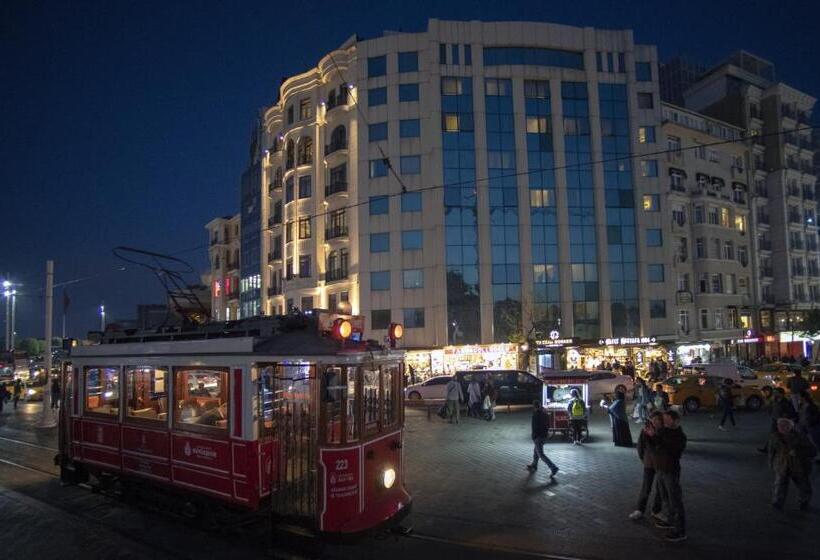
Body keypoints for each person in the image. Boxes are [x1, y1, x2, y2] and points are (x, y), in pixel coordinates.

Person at [654, 410, 688, 542]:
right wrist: (653, 434)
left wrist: (660, 437)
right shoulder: (663, 431)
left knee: (675, 500)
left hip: (671, 470)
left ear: (675, 420)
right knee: (665, 496)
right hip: (661, 469)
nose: (665, 421)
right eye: (664, 419)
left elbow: (674, 451)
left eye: (667, 419)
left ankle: (680, 530)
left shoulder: (680, 436)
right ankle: (669, 519)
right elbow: (656, 444)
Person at [769, 417, 816, 511]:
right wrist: (772, 464)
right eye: (779, 425)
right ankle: (778, 502)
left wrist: (798, 452)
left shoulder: (801, 436)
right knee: (780, 485)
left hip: (799, 466)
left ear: (790, 426)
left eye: (784, 425)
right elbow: (771, 452)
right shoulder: (775, 437)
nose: (781, 427)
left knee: (803, 485)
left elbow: (812, 451)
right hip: (782, 465)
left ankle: (804, 502)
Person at [629, 411, 665, 521]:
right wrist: (643, 459)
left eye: (657, 419)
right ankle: (640, 509)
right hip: (649, 463)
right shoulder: (645, 431)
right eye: (653, 419)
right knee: (646, 487)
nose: (655, 422)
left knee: (660, 488)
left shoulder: (664, 432)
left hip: (661, 464)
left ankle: (656, 510)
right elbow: (640, 446)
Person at [759, 388, 798, 453]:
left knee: (783, 436)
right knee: (773, 435)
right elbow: (770, 408)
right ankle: (768, 449)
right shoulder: (775, 400)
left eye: (776, 392)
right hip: (775, 420)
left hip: (782, 422)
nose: (774, 394)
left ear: (781, 394)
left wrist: (785, 417)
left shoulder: (786, 402)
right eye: (774, 392)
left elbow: (791, 412)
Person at [527, 400, 559, 478]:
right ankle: (534, 465)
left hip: (538, 436)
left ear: (534, 407)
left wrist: (534, 436)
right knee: (536, 451)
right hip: (544, 435)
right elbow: (548, 425)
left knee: (541, 454)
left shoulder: (535, 415)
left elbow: (534, 427)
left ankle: (553, 467)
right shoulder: (545, 414)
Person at [796, 390, 820, 461]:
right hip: (803, 425)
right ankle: (812, 453)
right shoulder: (801, 404)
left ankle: (818, 454)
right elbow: (800, 414)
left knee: (815, 441)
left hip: (811, 426)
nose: (798, 398)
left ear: (803, 397)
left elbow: (816, 416)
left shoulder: (812, 405)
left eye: (799, 397)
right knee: (807, 440)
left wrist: (811, 422)